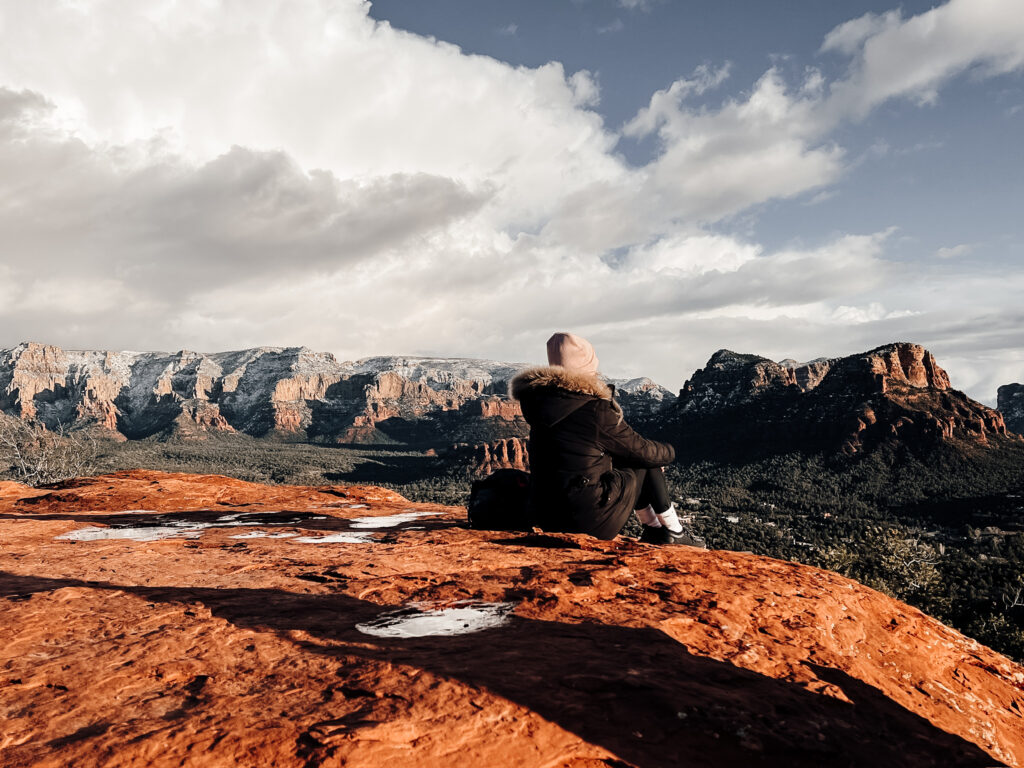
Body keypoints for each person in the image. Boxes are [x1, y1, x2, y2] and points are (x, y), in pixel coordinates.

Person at [510, 332, 704, 546]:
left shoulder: (539, 404)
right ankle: (671, 531)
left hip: (547, 515)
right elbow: (642, 451)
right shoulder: (593, 408)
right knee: (641, 460)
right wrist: (670, 452)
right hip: (587, 521)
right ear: (588, 366)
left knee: (631, 457)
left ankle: (656, 530)